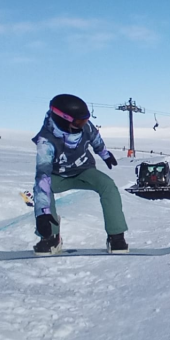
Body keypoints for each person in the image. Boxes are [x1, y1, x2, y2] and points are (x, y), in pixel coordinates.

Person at [32, 94, 129, 255]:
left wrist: (104, 154)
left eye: (85, 120)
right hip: (58, 176)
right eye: (79, 122)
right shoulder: (46, 142)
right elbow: (43, 175)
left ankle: (116, 236)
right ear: (63, 119)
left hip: (84, 171)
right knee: (42, 189)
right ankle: (50, 237)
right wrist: (43, 212)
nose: (84, 124)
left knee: (108, 185)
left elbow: (95, 138)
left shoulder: (85, 126)